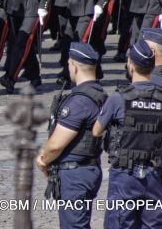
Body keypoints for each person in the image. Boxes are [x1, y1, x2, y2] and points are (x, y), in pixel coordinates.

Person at [93, 39, 162, 229]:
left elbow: (97, 131)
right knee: (154, 223)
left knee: (120, 221)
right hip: (154, 172)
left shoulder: (118, 98)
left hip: (125, 173)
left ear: (130, 64)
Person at [36, 42, 106, 229]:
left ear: (74, 65)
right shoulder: (100, 95)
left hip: (75, 174)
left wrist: (43, 159)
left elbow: (56, 145)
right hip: (89, 168)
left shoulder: (80, 101)